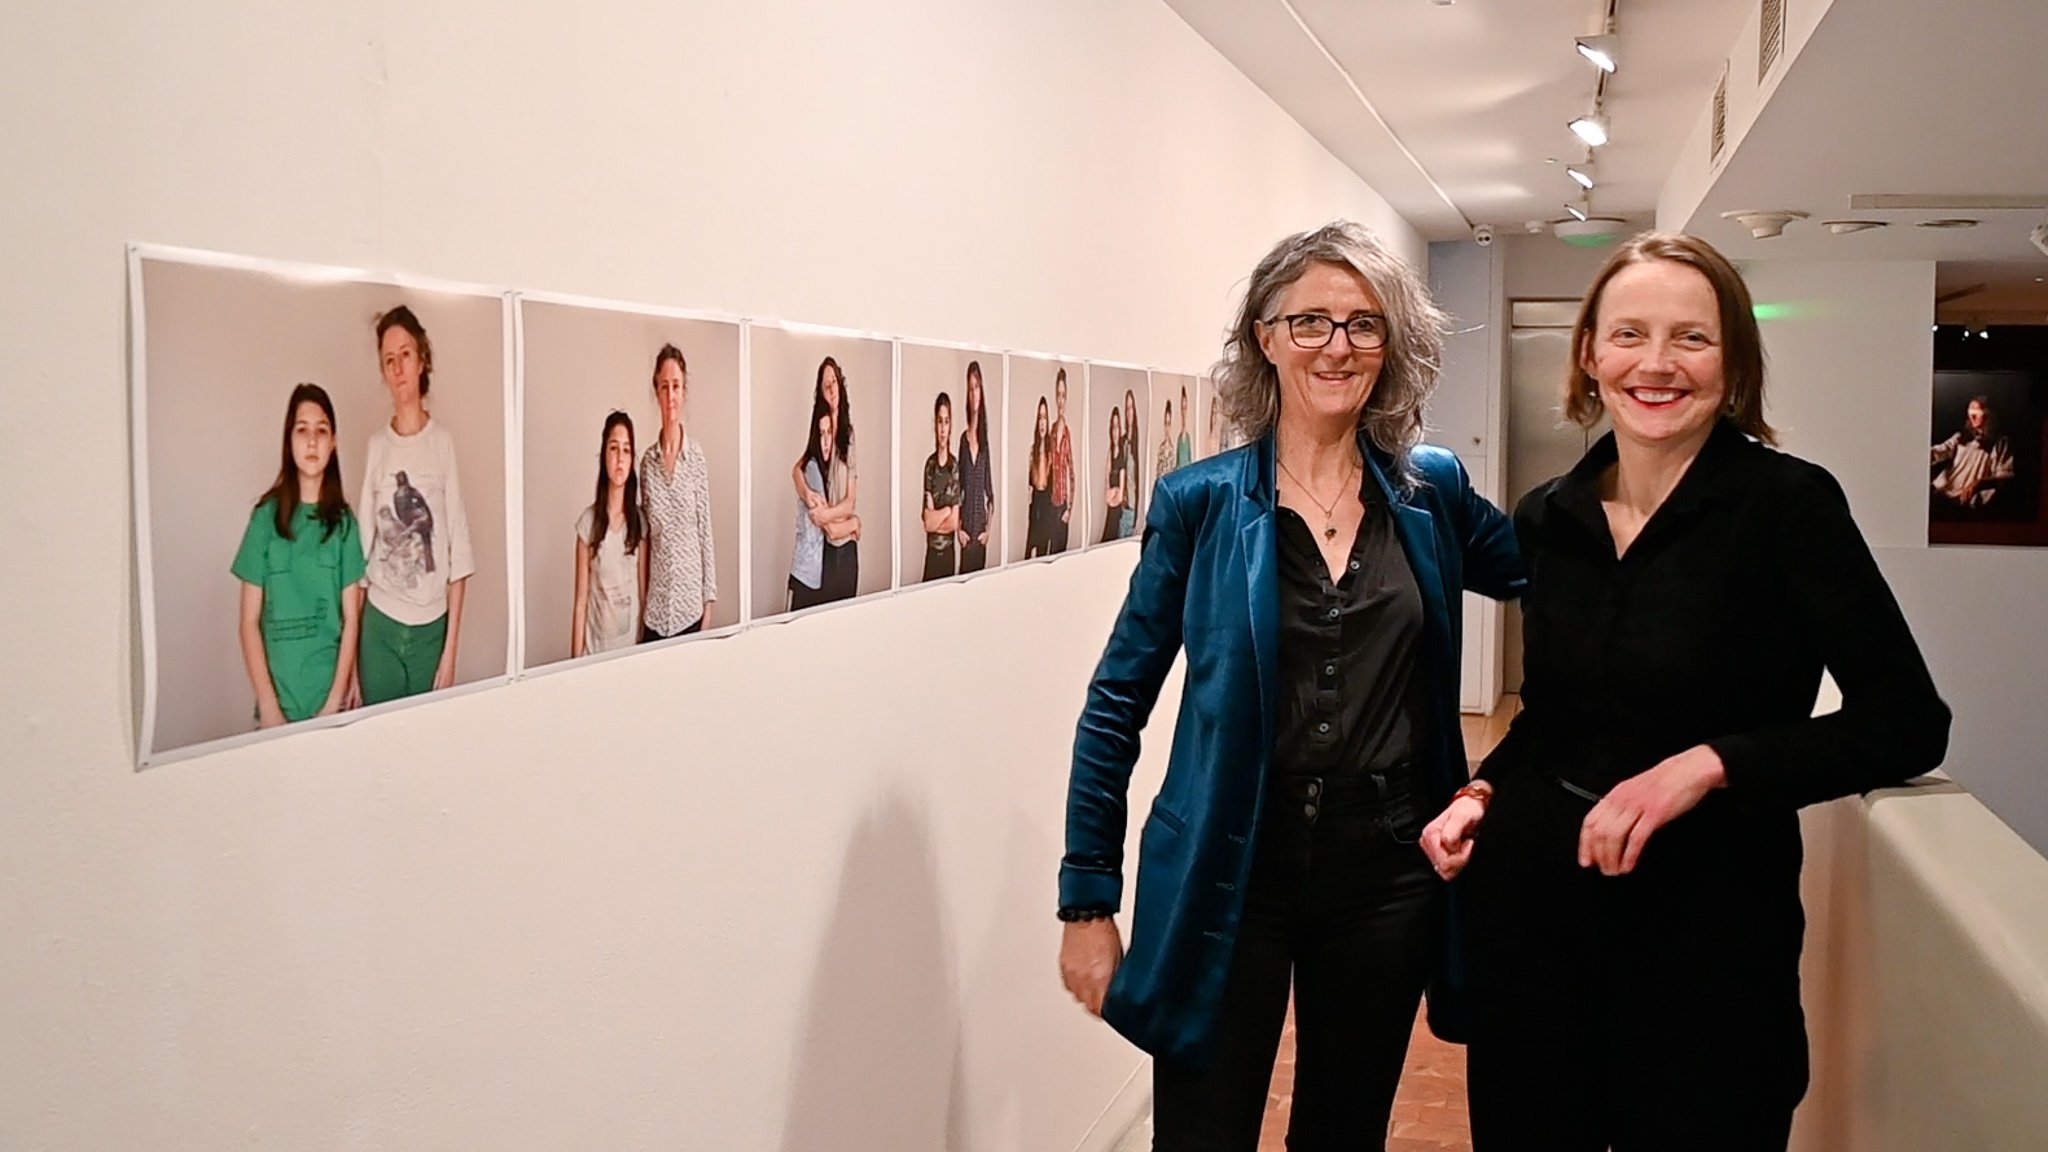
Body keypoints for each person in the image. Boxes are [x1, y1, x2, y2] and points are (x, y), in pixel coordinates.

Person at [1420, 232, 1952, 1152]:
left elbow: (1906, 721)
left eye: (1690, 339)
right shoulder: (1550, 514)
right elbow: (1554, 719)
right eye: (1628, 334)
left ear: (1735, 360)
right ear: (1589, 354)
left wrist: (1709, 766)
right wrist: (1480, 791)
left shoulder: (1789, 507)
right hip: (1535, 928)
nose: (1655, 364)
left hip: (1708, 943)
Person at [1058, 220, 1524, 1151]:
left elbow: (1569, 577)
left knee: (1344, 1130)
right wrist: (1087, 898)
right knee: (1203, 1130)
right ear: (1264, 337)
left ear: (1393, 345)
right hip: (1233, 859)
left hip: (1387, 867)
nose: (1337, 346)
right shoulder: (1200, 502)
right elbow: (1117, 702)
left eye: (1363, 324)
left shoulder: (1428, 493)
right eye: (1310, 321)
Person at [356, 305, 474, 706]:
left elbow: (458, 549)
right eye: (389, 360)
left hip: (431, 631)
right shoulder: (376, 448)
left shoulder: (442, 443)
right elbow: (359, 555)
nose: (398, 367)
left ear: (422, 360)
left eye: (405, 354)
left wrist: (450, 652)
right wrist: (353, 663)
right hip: (379, 628)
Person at [232, 383, 366, 727]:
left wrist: (333, 704)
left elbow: (352, 620)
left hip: (329, 706)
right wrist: (269, 706)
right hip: (277, 708)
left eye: (321, 431)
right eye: (301, 429)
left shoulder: (345, 525)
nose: (311, 441)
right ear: (288, 439)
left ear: (333, 443)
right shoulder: (265, 519)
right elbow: (248, 622)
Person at [640, 344, 716, 641]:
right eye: (664, 386)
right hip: (656, 616)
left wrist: (708, 606)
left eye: (676, 386)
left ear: (684, 392)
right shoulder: (647, 464)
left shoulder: (696, 457)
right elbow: (646, 541)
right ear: (656, 392)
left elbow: (705, 531)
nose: (670, 396)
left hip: (691, 614)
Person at [571, 411, 646, 658]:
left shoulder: (639, 524)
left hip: (630, 655)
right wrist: (573, 664)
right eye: (614, 448)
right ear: (604, 454)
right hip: (595, 654)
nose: (620, 458)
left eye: (626, 450)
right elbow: (580, 602)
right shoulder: (588, 524)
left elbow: (643, 595)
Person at [792, 357, 861, 602]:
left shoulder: (848, 436)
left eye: (834, 381)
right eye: (825, 385)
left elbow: (850, 501)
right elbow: (796, 470)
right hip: (829, 553)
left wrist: (837, 519)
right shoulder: (819, 437)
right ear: (821, 392)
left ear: (841, 385)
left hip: (847, 552)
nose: (831, 388)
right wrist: (852, 524)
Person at [1931, 394, 2016, 512]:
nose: (1973, 416)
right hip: (1945, 494)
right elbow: (1940, 451)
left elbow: (2004, 476)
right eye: (1971, 412)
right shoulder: (1960, 438)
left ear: (1988, 414)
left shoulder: (2000, 442)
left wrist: (1979, 484)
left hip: (1969, 502)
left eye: (1977, 412)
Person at [787, 408, 834, 612]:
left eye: (829, 433)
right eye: (821, 434)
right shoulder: (813, 468)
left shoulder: (822, 470)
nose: (825, 441)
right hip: (805, 577)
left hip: (812, 576)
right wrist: (854, 523)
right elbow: (828, 524)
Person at [958, 361, 997, 573]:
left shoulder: (985, 444)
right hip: (966, 536)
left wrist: (988, 531)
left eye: (977, 387)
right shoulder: (963, 441)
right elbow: (957, 491)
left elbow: (991, 495)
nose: (974, 393)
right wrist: (958, 529)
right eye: (970, 388)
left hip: (980, 537)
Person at [921, 391, 962, 582]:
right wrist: (947, 509)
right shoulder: (929, 466)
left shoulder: (954, 467)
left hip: (948, 555)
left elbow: (954, 523)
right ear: (935, 425)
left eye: (946, 422)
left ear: (951, 425)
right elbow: (928, 523)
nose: (943, 428)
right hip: (931, 555)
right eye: (939, 421)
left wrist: (940, 512)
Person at [1050, 368, 1077, 553]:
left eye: (1063, 396)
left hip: (1062, 509)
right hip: (1049, 507)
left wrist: (1070, 509)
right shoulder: (1049, 432)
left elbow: (1073, 475)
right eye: (1058, 395)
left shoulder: (1067, 434)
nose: (1061, 401)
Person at [1026, 396, 1056, 559]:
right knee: (1030, 553)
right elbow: (1032, 484)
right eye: (1040, 418)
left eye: (1045, 417)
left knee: (1044, 556)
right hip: (1035, 507)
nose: (1042, 422)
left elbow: (1049, 485)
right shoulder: (1033, 451)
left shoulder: (1051, 452)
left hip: (1047, 509)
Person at [1098, 406, 1129, 543]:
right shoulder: (1110, 452)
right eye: (1113, 427)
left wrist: (1115, 493)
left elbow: (1120, 492)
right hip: (1110, 507)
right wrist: (1110, 492)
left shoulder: (1121, 454)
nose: (1115, 432)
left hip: (1117, 510)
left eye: (1117, 427)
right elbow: (1106, 478)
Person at [1155, 398, 1180, 482]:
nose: (1167, 428)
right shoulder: (1161, 449)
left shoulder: (1173, 450)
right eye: (1165, 423)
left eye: (1168, 423)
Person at [1178, 383, 1195, 468]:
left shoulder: (1190, 436)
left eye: (1185, 407)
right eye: (1182, 407)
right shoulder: (1178, 437)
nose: (1184, 411)